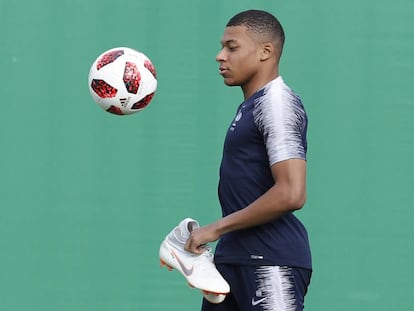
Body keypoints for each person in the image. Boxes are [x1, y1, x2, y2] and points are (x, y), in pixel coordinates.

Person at [184, 9, 312, 310]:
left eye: (232, 47)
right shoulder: (250, 107)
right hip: (232, 262)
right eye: (221, 47)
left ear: (266, 51)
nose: (220, 56)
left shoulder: (277, 103)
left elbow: (292, 193)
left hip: (271, 262)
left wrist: (214, 229)